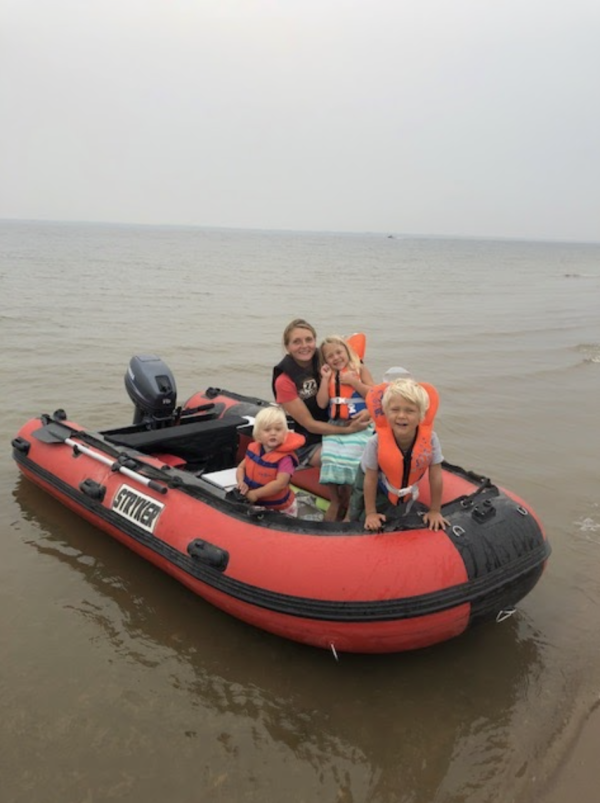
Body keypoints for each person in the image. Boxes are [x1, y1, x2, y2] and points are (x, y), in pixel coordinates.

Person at [351, 377, 450, 532]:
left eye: (410, 410)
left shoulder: (431, 439)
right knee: (358, 512)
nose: (402, 416)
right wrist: (371, 513)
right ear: (385, 412)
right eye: (395, 410)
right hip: (374, 481)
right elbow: (370, 478)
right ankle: (347, 519)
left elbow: (435, 475)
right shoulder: (375, 443)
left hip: (402, 483)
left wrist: (435, 510)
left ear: (421, 416)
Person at [272, 319, 370, 469]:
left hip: (347, 422)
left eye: (309, 340)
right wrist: (348, 430)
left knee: (377, 451)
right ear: (287, 347)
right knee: (351, 459)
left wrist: (368, 412)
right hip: (312, 440)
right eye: (297, 342)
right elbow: (310, 425)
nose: (304, 346)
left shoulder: (331, 358)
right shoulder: (284, 381)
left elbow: (372, 392)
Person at [315, 335, 375, 521]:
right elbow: (322, 403)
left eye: (339, 352)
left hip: (359, 426)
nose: (336, 358)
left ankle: (350, 506)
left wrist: (355, 383)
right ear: (325, 361)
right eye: (330, 356)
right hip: (336, 426)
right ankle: (335, 500)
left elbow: (374, 396)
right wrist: (325, 380)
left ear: (347, 352)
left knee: (352, 462)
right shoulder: (328, 375)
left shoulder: (360, 369)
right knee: (328, 458)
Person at [235, 406, 304, 516]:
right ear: (258, 434)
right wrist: (241, 482)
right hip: (256, 502)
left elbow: (280, 484)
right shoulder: (254, 449)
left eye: (278, 429)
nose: (273, 433)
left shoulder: (285, 459)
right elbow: (241, 467)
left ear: (285, 433)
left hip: (279, 508)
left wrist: (255, 494)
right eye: (267, 430)